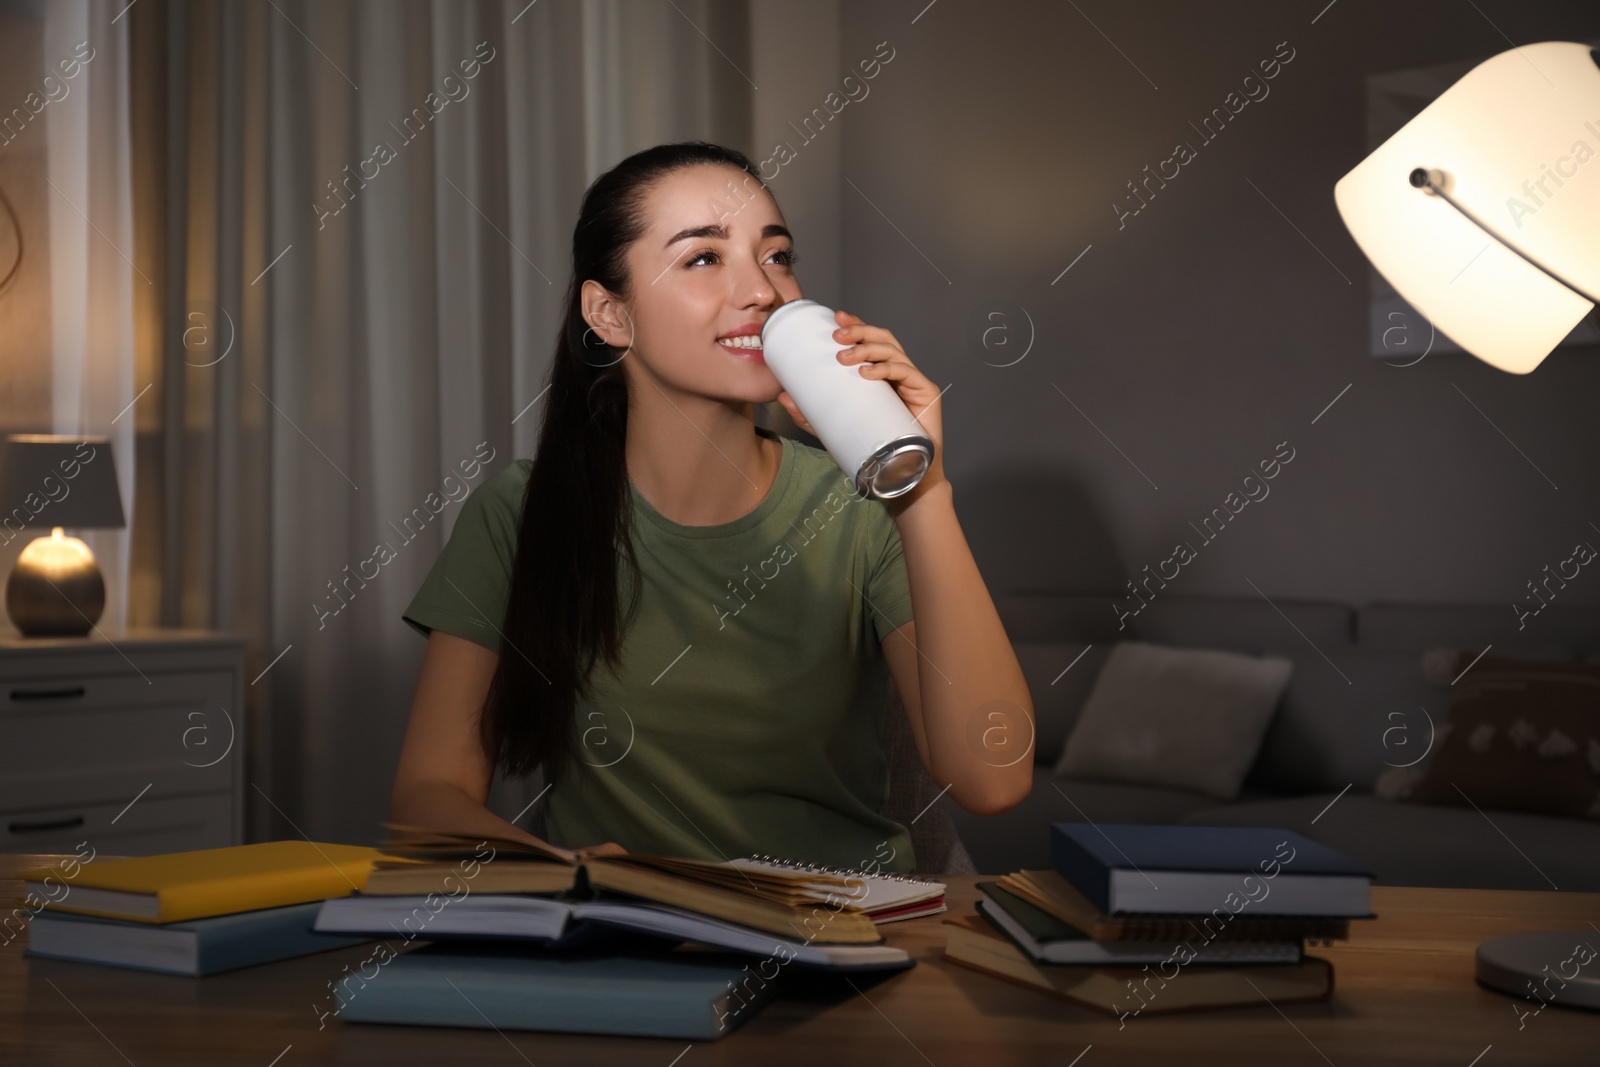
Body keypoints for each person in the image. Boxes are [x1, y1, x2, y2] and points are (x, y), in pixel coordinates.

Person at [390, 141, 1032, 874]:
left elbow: (994, 777)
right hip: (623, 946)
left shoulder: (859, 510)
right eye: (704, 258)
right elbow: (426, 795)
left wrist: (922, 493)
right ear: (609, 313)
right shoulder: (518, 512)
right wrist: (559, 871)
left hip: (843, 942)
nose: (762, 289)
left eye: (777, 255)